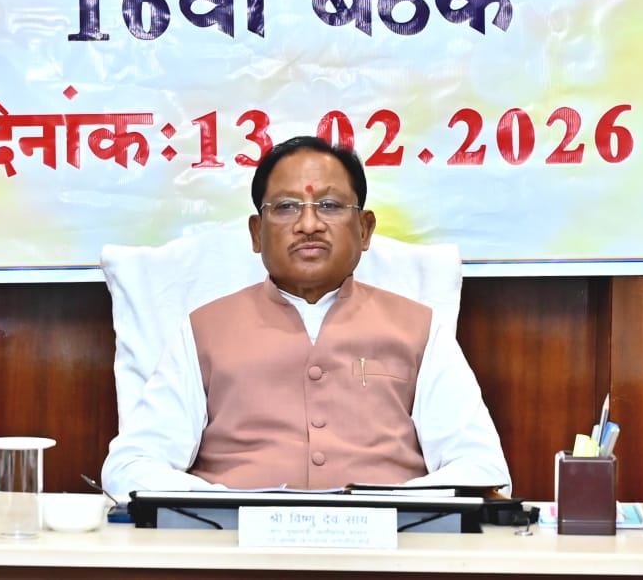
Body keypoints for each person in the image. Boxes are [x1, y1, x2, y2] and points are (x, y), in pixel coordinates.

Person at [102, 135, 511, 496]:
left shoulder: (420, 328)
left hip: (388, 544)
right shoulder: (203, 330)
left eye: (329, 205)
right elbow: (130, 466)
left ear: (364, 229)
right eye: (286, 207)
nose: (309, 224)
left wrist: (389, 508)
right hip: (234, 543)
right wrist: (227, 503)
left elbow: (484, 470)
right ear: (257, 233)